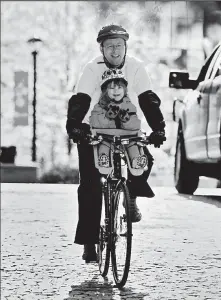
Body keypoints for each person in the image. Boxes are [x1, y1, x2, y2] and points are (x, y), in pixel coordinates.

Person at [66, 24, 166, 262]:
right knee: (90, 183)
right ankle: (90, 241)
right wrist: (75, 126)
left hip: (127, 128)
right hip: (94, 128)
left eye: (119, 45)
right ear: (101, 48)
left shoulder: (136, 67)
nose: (115, 50)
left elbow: (147, 99)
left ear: (125, 47)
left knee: (143, 159)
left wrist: (158, 128)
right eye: (109, 46)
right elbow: (81, 99)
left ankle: (131, 193)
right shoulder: (92, 69)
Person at [89, 68, 148, 172]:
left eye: (119, 87)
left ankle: (136, 160)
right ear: (105, 91)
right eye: (111, 88)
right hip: (107, 135)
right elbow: (95, 122)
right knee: (104, 144)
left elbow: (135, 125)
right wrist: (107, 117)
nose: (116, 90)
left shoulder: (129, 105)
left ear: (124, 89)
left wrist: (126, 119)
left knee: (133, 145)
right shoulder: (100, 106)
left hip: (126, 135)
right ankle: (104, 159)